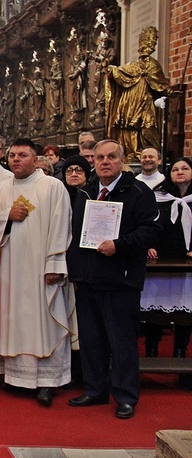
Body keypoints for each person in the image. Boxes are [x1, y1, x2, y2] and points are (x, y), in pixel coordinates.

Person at [67, 139, 162, 419]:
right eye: (100, 158)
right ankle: (95, 389)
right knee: (92, 339)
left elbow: (151, 231)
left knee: (121, 341)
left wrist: (118, 245)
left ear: (122, 161)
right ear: (93, 161)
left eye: (111, 157)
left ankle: (125, 395)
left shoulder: (137, 191)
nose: (105, 162)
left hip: (120, 280)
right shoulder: (86, 191)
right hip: (88, 278)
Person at [0, 138, 74, 407]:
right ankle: (16, 377)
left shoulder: (52, 186)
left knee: (44, 321)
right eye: (12, 155)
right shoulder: (0, 189)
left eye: (22, 155)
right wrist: (5, 217)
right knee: (16, 320)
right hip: (11, 270)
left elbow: (62, 225)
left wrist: (55, 265)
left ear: (35, 160)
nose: (15, 159)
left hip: (41, 269)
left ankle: (47, 382)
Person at [144, 157, 192, 361]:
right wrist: (149, 245)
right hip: (160, 262)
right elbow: (148, 225)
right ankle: (151, 351)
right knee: (155, 310)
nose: (180, 172)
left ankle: (180, 352)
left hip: (187, 264)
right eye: (175, 169)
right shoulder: (159, 197)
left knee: (186, 313)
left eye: (185, 168)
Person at [105, 26, 173, 162]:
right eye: (147, 43)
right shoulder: (132, 66)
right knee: (128, 128)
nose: (148, 46)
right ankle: (132, 153)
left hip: (146, 102)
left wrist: (169, 91)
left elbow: (160, 84)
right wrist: (111, 70)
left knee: (148, 127)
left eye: (151, 43)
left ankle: (150, 154)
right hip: (130, 102)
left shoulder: (153, 65)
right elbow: (120, 74)